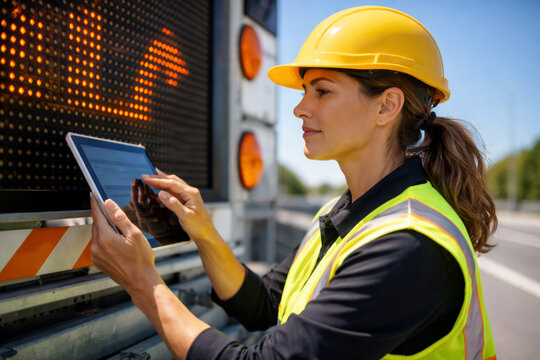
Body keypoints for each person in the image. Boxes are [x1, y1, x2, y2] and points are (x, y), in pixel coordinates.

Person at [90, 6, 497, 360]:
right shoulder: (347, 212)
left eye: (322, 91)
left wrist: (144, 285)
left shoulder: (408, 246)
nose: (300, 108)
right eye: (305, 91)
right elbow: (267, 305)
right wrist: (205, 233)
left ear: (387, 106)